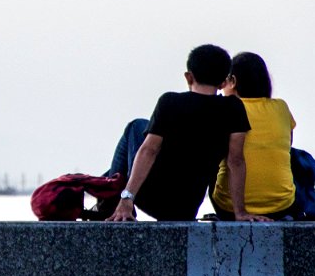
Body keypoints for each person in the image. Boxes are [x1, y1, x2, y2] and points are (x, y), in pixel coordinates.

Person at [107, 44, 263, 222]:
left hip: (150, 197)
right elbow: (235, 161)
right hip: (186, 207)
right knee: (140, 129)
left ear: (189, 77)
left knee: (135, 127)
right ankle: (108, 189)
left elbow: (148, 150)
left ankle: (112, 200)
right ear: (223, 82)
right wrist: (240, 212)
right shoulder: (233, 108)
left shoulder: (169, 102)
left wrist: (127, 199)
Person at [209, 52, 298, 220]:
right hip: (282, 206)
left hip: (229, 209)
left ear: (233, 81)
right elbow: (288, 145)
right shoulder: (281, 107)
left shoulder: (225, 108)